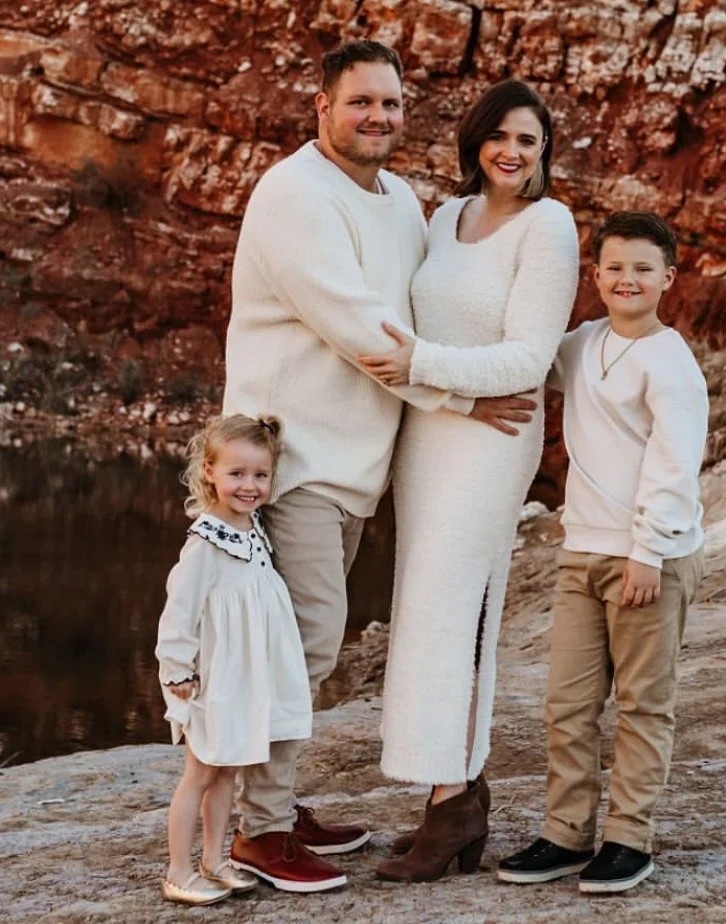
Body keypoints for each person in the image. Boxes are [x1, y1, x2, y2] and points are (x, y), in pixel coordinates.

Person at [221, 40, 533, 892]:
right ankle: (259, 831)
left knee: (302, 645)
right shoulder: (292, 194)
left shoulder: (399, 199)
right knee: (302, 647)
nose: (378, 118)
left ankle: (276, 807)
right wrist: (468, 401)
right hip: (293, 462)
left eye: (392, 105)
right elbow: (362, 329)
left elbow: (421, 312)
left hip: (360, 463)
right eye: (361, 102)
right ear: (320, 105)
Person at [356, 79, 580, 882]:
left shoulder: (550, 227)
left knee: (461, 606)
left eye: (528, 140)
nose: (512, 152)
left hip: (494, 440)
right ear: (475, 142)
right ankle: (453, 797)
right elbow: (404, 325)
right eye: (499, 136)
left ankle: (453, 808)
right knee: (423, 604)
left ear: (543, 151)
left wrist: (427, 366)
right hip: (433, 429)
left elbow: (529, 357)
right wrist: (445, 385)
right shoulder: (444, 217)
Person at [497, 211, 708, 894]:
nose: (627, 279)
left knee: (644, 704)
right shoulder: (583, 344)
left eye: (643, 269)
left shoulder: (670, 362)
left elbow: (674, 467)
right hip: (580, 552)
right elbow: (524, 357)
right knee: (568, 703)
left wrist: (648, 552)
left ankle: (629, 840)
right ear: (595, 275)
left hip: (649, 559)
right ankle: (565, 834)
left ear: (667, 279)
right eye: (615, 267)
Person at [156, 414, 312, 905]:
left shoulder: (252, 531)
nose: (249, 486)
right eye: (237, 474)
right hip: (213, 678)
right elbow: (178, 612)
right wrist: (178, 670)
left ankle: (214, 860)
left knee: (227, 772)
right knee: (200, 773)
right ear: (209, 473)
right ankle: (178, 870)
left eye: (260, 475)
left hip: (244, 676)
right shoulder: (205, 542)